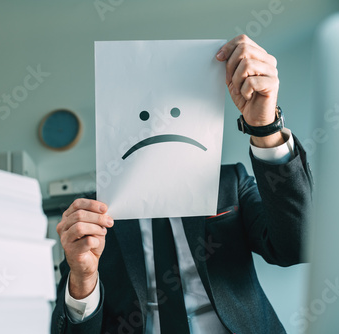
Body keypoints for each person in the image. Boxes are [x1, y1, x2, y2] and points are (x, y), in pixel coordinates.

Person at [51, 35, 313, 334]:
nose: (158, 125)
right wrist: (83, 280)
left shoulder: (228, 184)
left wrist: (265, 128)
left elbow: (299, 246)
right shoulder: (91, 217)